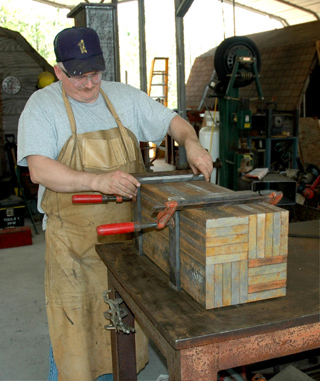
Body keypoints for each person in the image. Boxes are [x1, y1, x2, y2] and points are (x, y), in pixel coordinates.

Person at [17, 26, 213, 381]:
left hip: (124, 243)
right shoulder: (42, 107)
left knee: (123, 328)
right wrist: (96, 180)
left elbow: (173, 121)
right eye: (79, 77)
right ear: (59, 71)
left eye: (95, 74)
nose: (90, 85)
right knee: (74, 333)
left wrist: (191, 142)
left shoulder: (123, 97)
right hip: (73, 248)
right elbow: (39, 170)